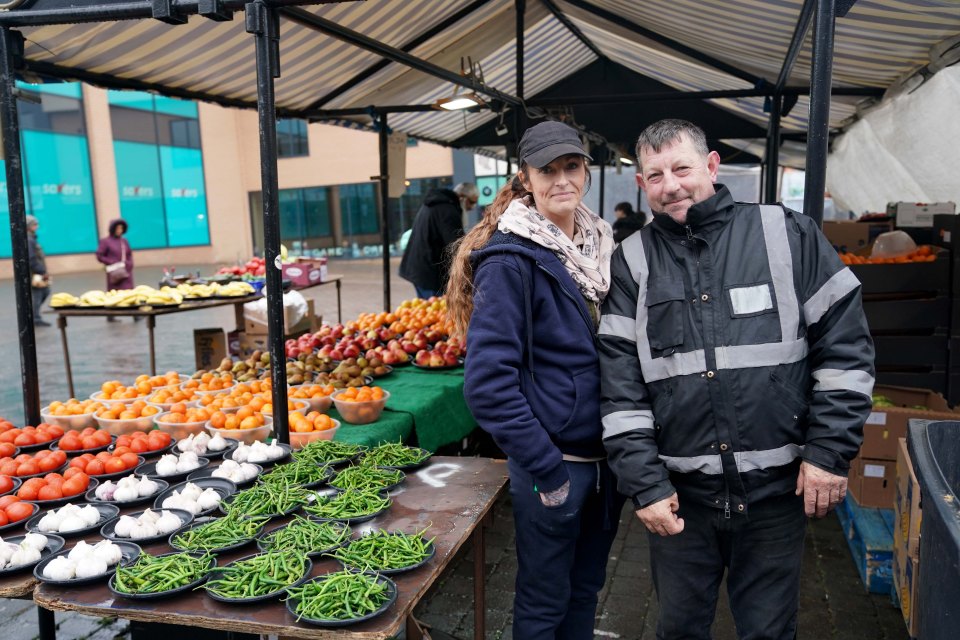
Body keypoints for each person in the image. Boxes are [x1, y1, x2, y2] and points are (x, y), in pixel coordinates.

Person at [598, 119, 875, 639]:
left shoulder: (787, 233)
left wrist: (828, 454)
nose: (671, 185)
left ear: (711, 165)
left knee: (769, 633)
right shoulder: (630, 262)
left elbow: (845, 350)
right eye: (655, 176)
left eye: (682, 168)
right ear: (640, 185)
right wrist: (645, 486)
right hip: (681, 500)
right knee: (678, 630)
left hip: (776, 493)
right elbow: (619, 391)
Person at [448, 120, 624, 640]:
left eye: (571, 166)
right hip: (556, 467)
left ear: (586, 172)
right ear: (524, 178)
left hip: (604, 461)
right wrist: (548, 470)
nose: (561, 179)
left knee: (585, 589)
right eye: (546, 170)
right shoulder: (512, 259)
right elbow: (486, 384)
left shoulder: (598, 249)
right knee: (544, 601)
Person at [399, 182, 478, 298]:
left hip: (421, 268)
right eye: (471, 202)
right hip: (429, 272)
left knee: (429, 310)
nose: (471, 207)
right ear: (462, 197)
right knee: (434, 310)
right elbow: (456, 245)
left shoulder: (437, 204)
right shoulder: (448, 210)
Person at [96, 218, 135, 322]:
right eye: (117, 228)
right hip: (114, 273)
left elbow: (129, 254)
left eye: (121, 228)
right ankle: (111, 314)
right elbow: (99, 256)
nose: (119, 230)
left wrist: (130, 264)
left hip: (126, 271)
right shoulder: (105, 242)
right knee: (113, 293)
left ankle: (135, 314)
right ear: (112, 229)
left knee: (129, 293)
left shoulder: (124, 241)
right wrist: (111, 261)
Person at [26, 215, 51, 327]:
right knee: (39, 294)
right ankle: (35, 318)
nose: (37, 226)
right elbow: (31, 258)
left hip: (37, 272)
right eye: (34, 224)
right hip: (35, 273)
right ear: (29, 226)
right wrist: (41, 271)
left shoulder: (31, 238)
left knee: (44, 292)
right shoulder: (29, 239)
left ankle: (33, 315)